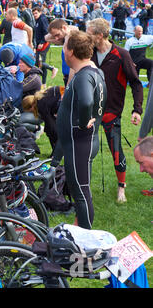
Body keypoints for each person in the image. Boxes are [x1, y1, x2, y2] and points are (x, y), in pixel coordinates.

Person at [51, 30, 107, 229]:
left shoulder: (84, 76)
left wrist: (83, 122)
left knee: (81, 195)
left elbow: (86, 102)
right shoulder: (95, 72)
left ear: (71, 52)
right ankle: (79, 229)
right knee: (81, 192)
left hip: (79, 143)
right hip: (82, 142)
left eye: (65, 45)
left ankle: (86, 241)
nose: (63, 49)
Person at [86, 18, 144, 203]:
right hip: (90, 112)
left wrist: (137, 110)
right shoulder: (88, 52)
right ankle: (83, 188)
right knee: (85, 151)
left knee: (116, 152)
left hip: (112, 111)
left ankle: (121, 189)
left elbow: (136, 83)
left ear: (100, 35)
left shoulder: (121, 54)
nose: (87, 36)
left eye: (90, 33)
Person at [32, 6, 58, 88]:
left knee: (38, 62)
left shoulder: (42, 19)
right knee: (40, 64)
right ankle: (44, 84)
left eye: (36, 13)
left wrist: (42, 42)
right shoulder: (37, 20)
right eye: (33, 14)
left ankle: (52, 68)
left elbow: (46, 32)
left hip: (44, 44)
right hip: (39, 44)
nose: (35, 15)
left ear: (40, 12)